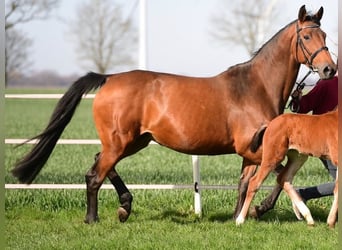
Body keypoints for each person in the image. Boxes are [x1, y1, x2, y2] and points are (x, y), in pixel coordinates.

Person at [290, 73, 338, 219]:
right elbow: (303, 106)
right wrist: (297, 100)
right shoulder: (327, 84)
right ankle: (303, 194)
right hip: (325, 142)